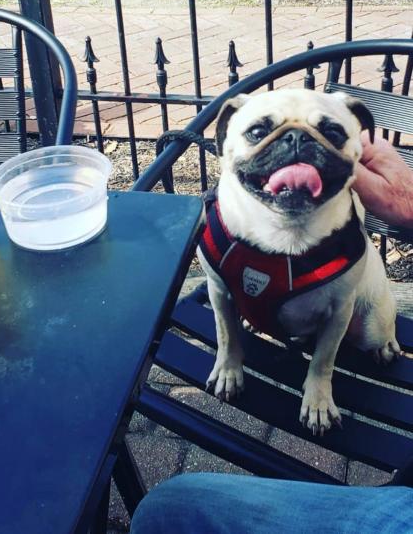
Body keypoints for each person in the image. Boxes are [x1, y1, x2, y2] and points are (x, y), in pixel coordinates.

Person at [130, 136, 413, 534]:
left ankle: (338, 359)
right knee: (163, 510)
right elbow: (218, 287)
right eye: (261, 131)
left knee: (372, 336)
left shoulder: (344, 240)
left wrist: (320, 376)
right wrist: (229, 353)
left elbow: (341, 305)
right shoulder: (220, 232)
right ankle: (246, 339)